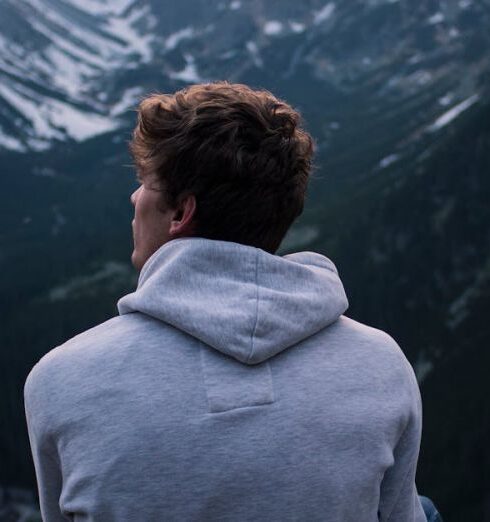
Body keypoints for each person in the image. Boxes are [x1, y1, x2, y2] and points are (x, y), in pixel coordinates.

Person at [24, 81, 440, 521]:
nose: (134, 197)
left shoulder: (60, 378)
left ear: (181, 213)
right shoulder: (381, 361)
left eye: (144, 182)